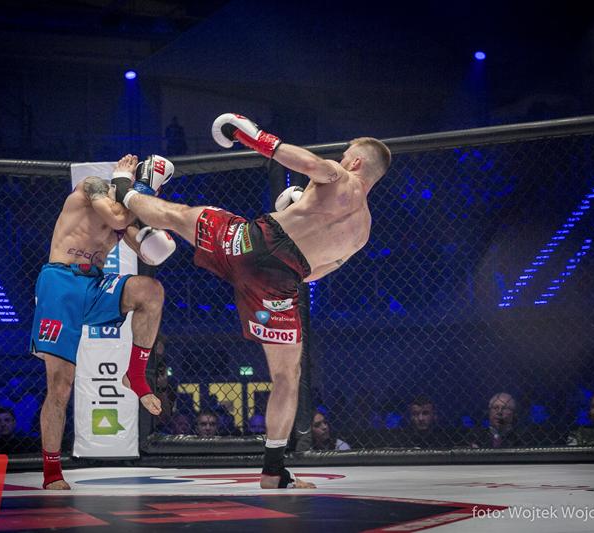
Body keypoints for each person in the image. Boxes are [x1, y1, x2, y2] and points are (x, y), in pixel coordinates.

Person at [114, 113, 391, 489]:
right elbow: (313, 274)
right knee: (287, 377)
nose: (341, 159)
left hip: (251, 243)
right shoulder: (362, 233)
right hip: (280, 283)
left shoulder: (339, 175)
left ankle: (126, 191)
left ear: (356, 162)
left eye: (346, 155)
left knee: (181, 216)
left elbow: (299, 159)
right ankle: (274, 470)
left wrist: (248, 134)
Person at [29, 153, 177, 490]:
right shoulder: (93, 186)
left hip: (94, 285)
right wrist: (134, 186)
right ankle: (52, 471)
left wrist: (153, 234)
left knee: (151, 291)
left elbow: (151, 254)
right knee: (61, 384)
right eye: (142, 189)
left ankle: (135, 374)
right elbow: (116, 214)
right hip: (61, 283)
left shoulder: (125, 219)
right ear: (128, 181)